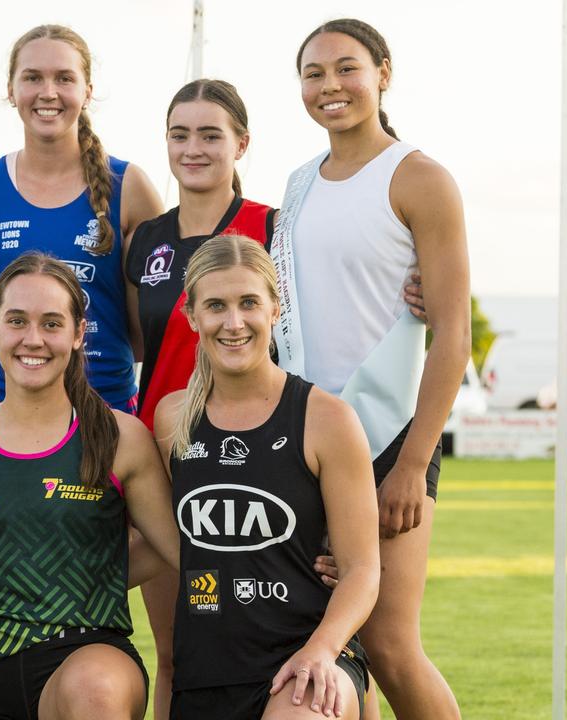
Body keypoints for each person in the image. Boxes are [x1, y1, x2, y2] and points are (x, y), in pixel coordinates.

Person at [276, 19, 470, 719]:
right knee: (321, 639)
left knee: (388, 643)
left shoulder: (419, 177)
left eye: (346, 68)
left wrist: (415, 463)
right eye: (314, 73)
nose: (330, 86)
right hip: (305, 442)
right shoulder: (297, 186)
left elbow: (453, 334)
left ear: (383, 73)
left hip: (390, 441)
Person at [0, 253, 179, 719]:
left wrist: (95, 574)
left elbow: (178, 546)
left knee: (94, 691)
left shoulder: (120, 438)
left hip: (91, 652)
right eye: (17, 321)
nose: (33, 339)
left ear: (78, 334)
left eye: (52, 323)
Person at [157, 235, 381, 719]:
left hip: (307, 657)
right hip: (206, 670)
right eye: (216, 306)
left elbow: (362, 570)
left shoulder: (327, 419)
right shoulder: (171, 420)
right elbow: (156, 540)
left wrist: (322, 649)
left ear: (275, 308)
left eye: (249, 303)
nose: (233, 323)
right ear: (192, 316)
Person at [123, 79, 275, 719]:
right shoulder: (145, 238)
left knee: (270, 643)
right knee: (176, 650)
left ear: (241, 143)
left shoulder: (271, 226)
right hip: (165, 456)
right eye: (180, 134)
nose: (194, 147)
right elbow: (138, 341)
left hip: (258, 457)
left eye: (211, 134)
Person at [0, 24, 164, 412]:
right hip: (1, 409)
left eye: (64, 78)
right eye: (32, 77)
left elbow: (145, 330)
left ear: (87, 91)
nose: (48, 92)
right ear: (11, 89)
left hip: (102, 410)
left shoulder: (130, 186)